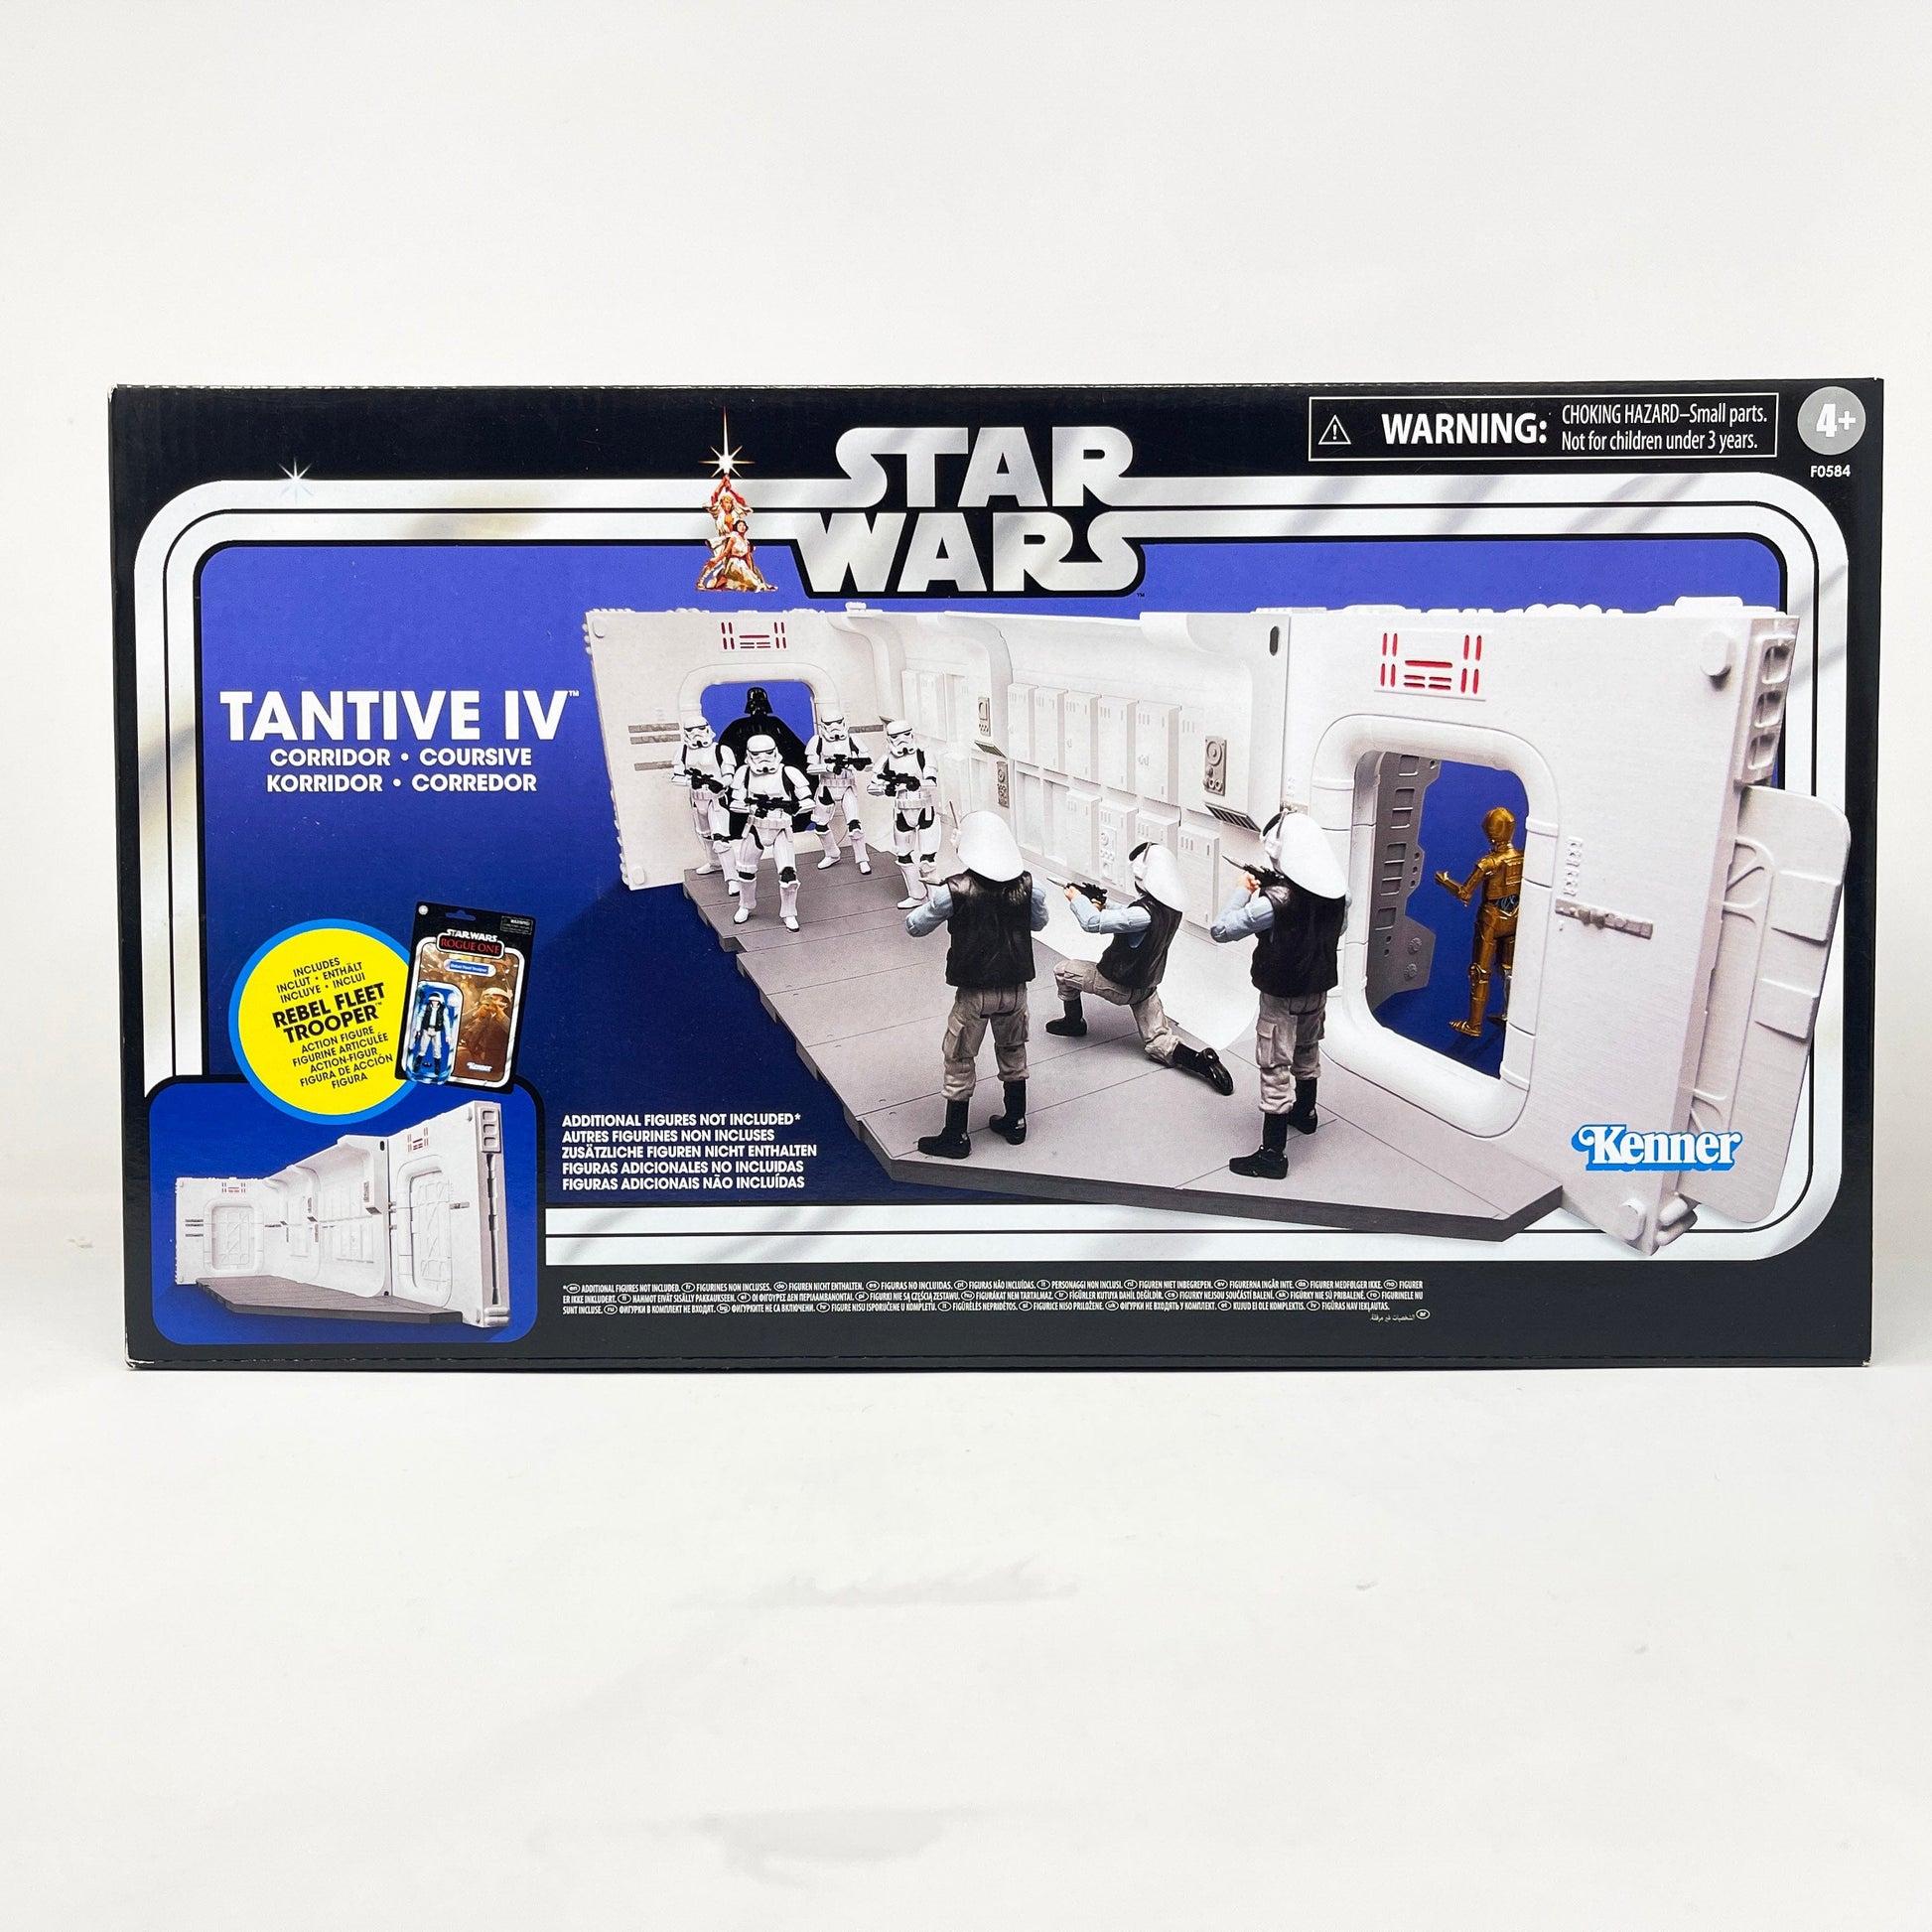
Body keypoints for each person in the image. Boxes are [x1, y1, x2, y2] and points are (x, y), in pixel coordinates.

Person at [1209, 808, 1349, 1179]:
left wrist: (1242, 891)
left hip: (1281, 994)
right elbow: (1337, 928)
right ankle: (1305, 1112)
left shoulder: (1274, 902)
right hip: (1318, 988)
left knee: (1274, 1065)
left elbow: (1221, 930)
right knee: (1307, 1050)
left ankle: (1272, 1155)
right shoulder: (1340, 893)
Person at [904, 811, 1050, 1160]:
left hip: (974, 993)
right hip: (1016, 990)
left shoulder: (954, 891)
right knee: (1013, 1051)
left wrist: (940, 897)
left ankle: (956, 1135)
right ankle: (1016, 1121)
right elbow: (1039, 923)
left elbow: (914, 926)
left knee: (959, 1057)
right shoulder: (1030, 886)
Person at [1047, 842, 1234, 1094]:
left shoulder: (1143, 914)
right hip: (1147, 987)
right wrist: (1103, 904)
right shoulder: (1171, 910)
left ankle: (1073, 1022)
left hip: (1116, 983)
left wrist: (1077, 899)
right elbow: (1129, 915)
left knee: (1063, 971)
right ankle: (1202, 1062)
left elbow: (1092, 922)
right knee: (1159, 1041)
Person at [1434, 804, 1523, 1036]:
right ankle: (1508, 1014)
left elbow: (1465, 893)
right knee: (1508, 968)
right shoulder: (1522, 857)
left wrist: (1445, 881)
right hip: (1514, 917)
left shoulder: (1488, 863)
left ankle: (1474, 1024)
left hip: (1491, 920)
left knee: (1479, 971)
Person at [728, 734, 815, 931]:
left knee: (788, 876)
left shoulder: (788, 772)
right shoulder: (744, 773)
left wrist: (793, 809)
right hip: (755, 826)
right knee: (745, 871)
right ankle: (746, 905)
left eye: (768, 753)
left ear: (775, 751)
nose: (763, 759)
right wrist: (751, 808)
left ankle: (789, 913)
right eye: (757, 754)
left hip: (781, 827)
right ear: (749, 755)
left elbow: (808, 801)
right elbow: (735, 803)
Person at [869, 718, 942, 908]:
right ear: (889, 738)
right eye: (896, 737)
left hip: (924, 810)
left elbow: (932, 782)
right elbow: (872, 786)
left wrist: (916, 783)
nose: (901, 740)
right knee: (903, 856)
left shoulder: (923, 754)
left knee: (928, 861)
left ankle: (936, 900)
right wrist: (886, 787)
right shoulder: (887, 759)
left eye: (905, 735)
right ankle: (917, 895)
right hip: (902, 811)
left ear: (911, 734)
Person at [804, 710, 874, 873]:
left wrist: (856, 765)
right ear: (823, 725)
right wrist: (828, 767)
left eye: (837, 723)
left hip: (846, 785)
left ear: (843, 722)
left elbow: (868, 764)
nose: (834, 727)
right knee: (820, 826)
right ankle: (832, 854)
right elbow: (810, 768)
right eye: (829, 724)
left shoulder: (852, 740)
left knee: (855, 826)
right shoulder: (817, 741)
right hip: (826, 786)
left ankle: (862, 860)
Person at [670, 718, 737, 880]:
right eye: (691, 730)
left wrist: (720, 784)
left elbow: (729, 775)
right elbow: (675, 777)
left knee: (720, 839)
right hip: (696, 799)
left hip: (716, 800)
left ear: (707, 728)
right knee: (705, 835)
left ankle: (732, 877)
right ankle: (714, 863)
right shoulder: (683, 751)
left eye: (700, 728)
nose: (696, 733)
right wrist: (691, 781)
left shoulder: (720, 750)